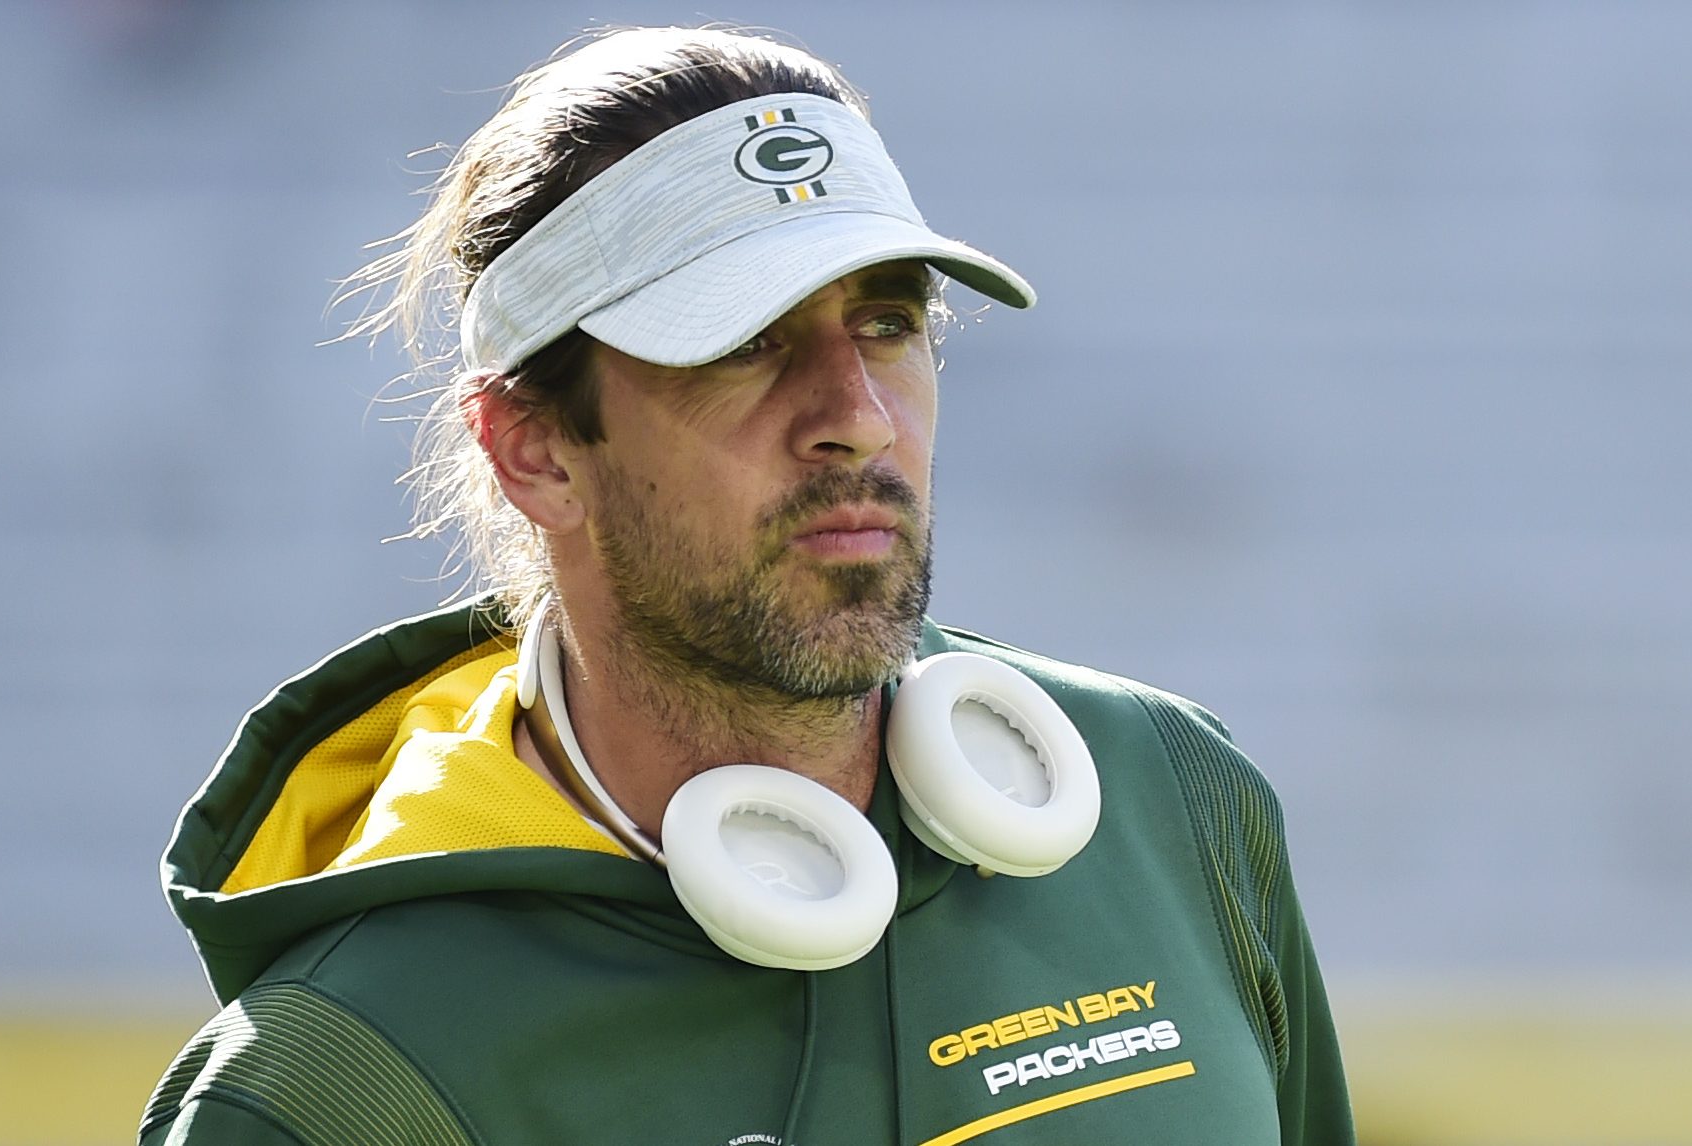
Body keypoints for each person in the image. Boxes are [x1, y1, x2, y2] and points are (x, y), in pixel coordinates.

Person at [138, 25, 1354, 1146]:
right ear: (536, 449)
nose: (859, 420)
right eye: (744, 343)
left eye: (886, 323)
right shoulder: (335, 1087)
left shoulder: (1173, 802)